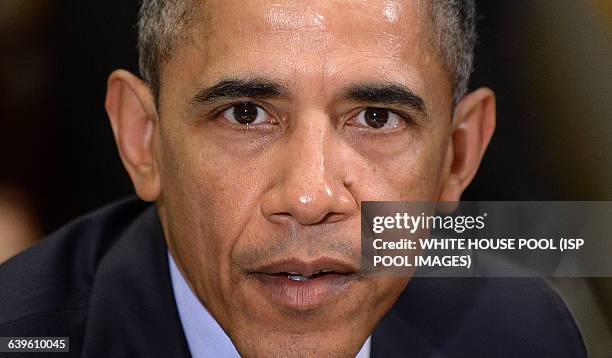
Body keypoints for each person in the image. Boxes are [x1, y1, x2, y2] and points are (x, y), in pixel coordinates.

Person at [0, 1, 587, 357]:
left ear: (458, 156)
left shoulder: (521, 329)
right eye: (245, 113)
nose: (309, 198)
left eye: (376, 119)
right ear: (143, 138)